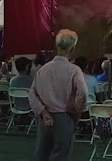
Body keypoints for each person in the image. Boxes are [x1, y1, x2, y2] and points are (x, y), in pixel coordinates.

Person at [28, 28, 88, 161]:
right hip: (65, 117)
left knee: (42, 154)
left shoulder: (43, 69)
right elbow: (83, 92)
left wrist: (43, 112)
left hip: (44, 118)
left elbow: (32, 94)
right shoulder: (74, 70)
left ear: (57, 45)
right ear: (73, 48)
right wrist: (78, 110)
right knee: (61, 155)